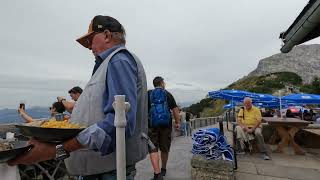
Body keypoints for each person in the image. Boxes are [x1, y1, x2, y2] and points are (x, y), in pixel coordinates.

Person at [9, 15, 148, 180]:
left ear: (107, 35)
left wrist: (55, 150)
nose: (89, 47)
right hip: (101, 170)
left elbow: (118, 123)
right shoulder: (110, 64)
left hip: (108, 172)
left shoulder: (118, 61)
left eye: (90, 40)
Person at [148, 76, 180, 180]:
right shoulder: (167, 94)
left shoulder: (149, 94)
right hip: (166, 125)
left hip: (152, 125)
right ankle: (163, 169)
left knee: (153, 148)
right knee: (164, 148)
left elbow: (143, 110)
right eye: (164, 82)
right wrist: (178, 123)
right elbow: (175, 110)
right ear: (161, 83)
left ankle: (157, 174)